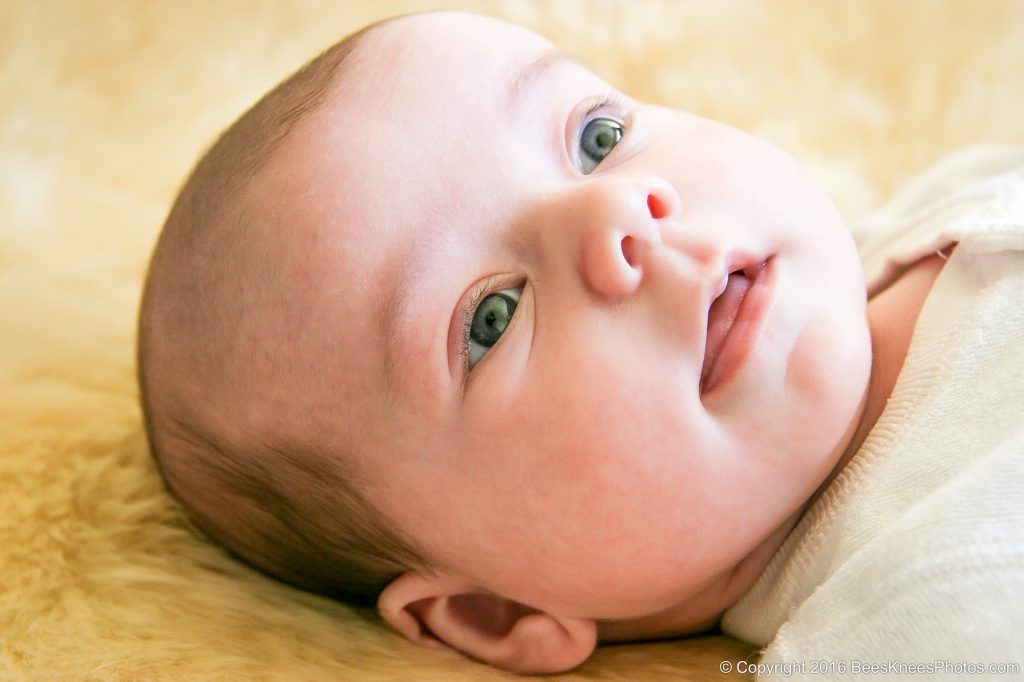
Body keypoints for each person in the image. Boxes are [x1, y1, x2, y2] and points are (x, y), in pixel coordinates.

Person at [136, 10, 1024, 675]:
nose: (615, 211)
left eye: (599, 139)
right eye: (492, 317)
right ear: (491, 611)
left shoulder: (922, 217)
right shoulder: (921, 616)